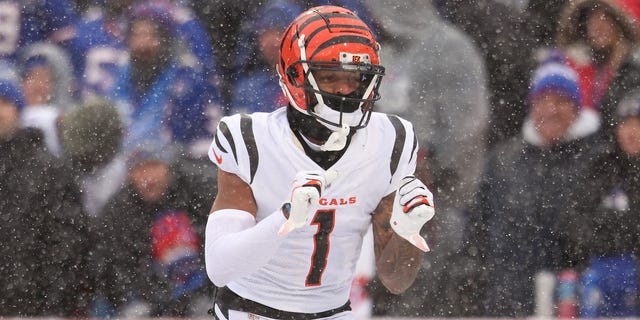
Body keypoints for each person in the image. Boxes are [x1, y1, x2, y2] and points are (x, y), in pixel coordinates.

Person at [205, 6, 436, 320]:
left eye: (354, 78)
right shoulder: (249, 138)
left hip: (334, 312)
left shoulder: (391, 141)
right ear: (294, 76)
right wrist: (285, 219)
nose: (343, 89)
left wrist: (407, 231)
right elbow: (220, 267)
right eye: (328, 77)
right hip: (250, 311)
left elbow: (396, 280)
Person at [366, 0, 489, 316]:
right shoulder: (378, 53)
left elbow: (468, 130)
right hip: (374, 196)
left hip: (438, 198)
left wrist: (437, 175)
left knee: (427, 270)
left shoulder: (451, 48)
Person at [462, 56, 602, 317]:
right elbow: (477, 229)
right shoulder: (503, 161)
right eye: (543, 100)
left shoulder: (598, 161)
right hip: (508, 301)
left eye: (561, 101)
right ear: (532, 106)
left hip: (576, 300)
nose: (551, 109)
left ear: (576, 109)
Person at [92, 139, 216, 317]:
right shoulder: (118, 211)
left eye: (154, 166)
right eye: (140, 169)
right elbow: (115, 265)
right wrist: (150, 296)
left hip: (204, 292)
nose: (148, 177)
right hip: (145, 300)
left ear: (168, 168)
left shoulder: (197, 193)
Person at [0, 75, 89, 316]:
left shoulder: (48, 167)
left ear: (18, 110)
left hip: (33, 304)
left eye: (5, 102)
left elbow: (67, 237)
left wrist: (51, 295)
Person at [556, 0, 640, 138]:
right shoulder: (568, 66)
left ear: (620, 25)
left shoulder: (633, 71)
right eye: (591, 18)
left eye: (607, 18)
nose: (598, 26)